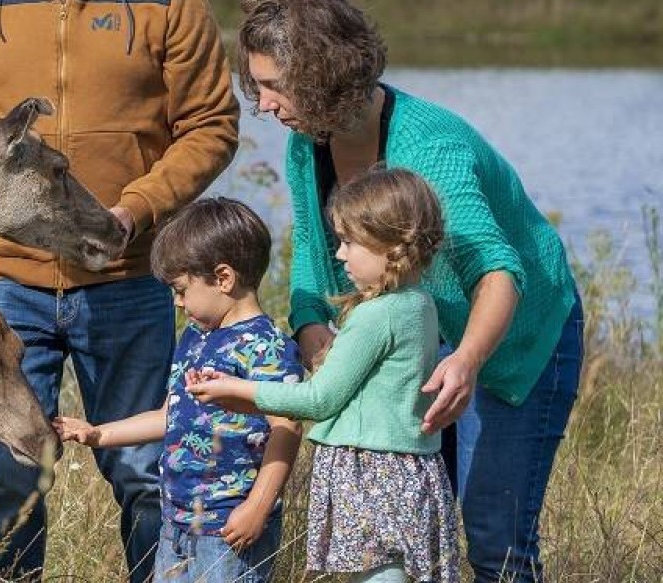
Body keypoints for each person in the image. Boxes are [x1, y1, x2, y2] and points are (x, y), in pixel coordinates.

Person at [232, 2, 583, 580]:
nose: (263, 105)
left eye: (273, 86)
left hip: (515, 340)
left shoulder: (430, 149)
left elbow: (498, 269)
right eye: (258, 86)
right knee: (411, 542)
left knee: (496, 543)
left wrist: (467, 359)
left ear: (322, 75)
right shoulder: (307, 143)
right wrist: (312, 327)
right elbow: (312, 260)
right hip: (413, 337)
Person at [0, 0, 239, 579]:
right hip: (5, 280)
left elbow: (211, 125)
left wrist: (135, 209)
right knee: (12, 472)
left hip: (127, 278)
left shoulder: (174, 6)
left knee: (142, 469)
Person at [190, 167, 460, 583]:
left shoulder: (377, 315)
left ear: (392, 245)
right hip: (405, 470)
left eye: (350, 242)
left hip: (373, 475)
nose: (340, 255)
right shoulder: (419, 302)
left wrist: (239, 389)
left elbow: (319, 400)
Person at [52, 197, 304, 583]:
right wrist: (99, 434)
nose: (177, 301)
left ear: (223, 278)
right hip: (175, 524)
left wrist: (257, 507)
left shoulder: (268, 348)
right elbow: (172, 414)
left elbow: (286, 429)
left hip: (229, 528)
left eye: (182, 289)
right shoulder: (196, 337)